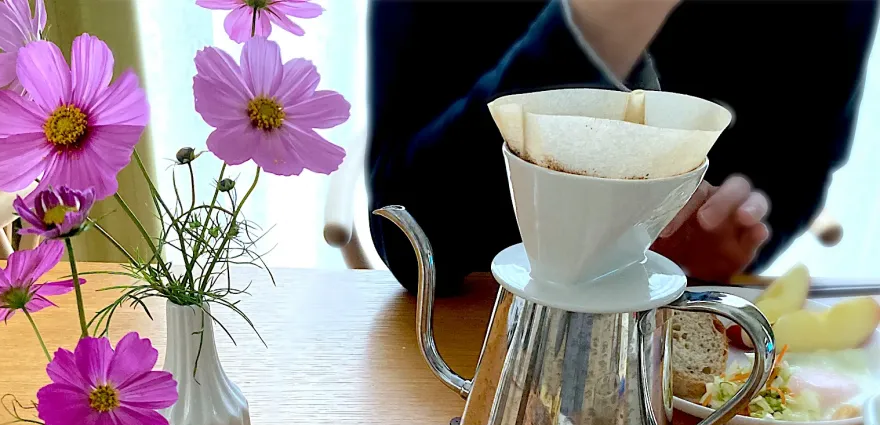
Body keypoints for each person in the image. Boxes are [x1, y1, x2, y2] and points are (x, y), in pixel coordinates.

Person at [367, 0, 878, 295]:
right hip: (483, 333)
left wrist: (736, 226)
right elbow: (408, 234)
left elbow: (797, 167)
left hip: (678, 353)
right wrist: (598, 28)